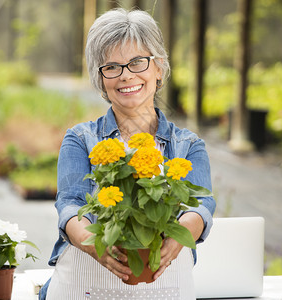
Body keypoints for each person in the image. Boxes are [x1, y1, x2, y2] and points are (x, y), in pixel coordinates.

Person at [39, 8, 216, 300]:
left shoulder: (188, 145)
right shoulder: (81, 139)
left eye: (137, 62)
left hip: (166, 289)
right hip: (83, 288)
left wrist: (178, 235)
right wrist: (95, 244)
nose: (126, 76)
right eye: (112, 66)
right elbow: (70, 205)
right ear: (101, 79)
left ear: (159, 68)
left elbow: (202, 204)